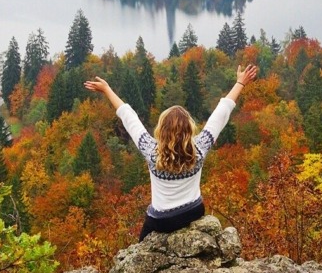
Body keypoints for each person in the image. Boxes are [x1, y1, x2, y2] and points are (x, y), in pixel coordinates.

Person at [84, 63, 258, 240]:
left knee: (140, 249)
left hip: (161, 221)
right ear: (189, 130)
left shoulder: (151, 151)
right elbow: (221, 113)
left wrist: (107, 90)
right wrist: (240, 83)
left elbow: (129, 117)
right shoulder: (199, 149)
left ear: (161, 129)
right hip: (192, 212)